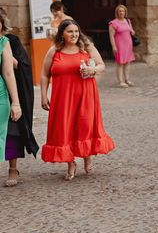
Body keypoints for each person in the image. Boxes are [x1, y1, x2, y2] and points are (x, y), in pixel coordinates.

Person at [40, 19, 115, 180]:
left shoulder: (86, 47)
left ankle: (87, 155)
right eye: (69, 31)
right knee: (66, 128)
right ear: (62, 34)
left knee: (85, 125)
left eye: (76, 31)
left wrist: (92, 69)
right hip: (62, 98)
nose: (74, 34)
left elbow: (102, 65)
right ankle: (70, 162)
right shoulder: (54, 51)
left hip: (85, 95)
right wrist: (43, 95)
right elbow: (45, 74)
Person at [1, 9, 39, 187]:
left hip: (8, 91)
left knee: (12, 132)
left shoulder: (10, 41)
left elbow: (21, 66)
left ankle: (12, 168)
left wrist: (10, 59)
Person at [0, 10, 23, 185]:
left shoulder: (4, 42)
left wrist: (15, 102)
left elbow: (9, 73)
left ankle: (13, 168)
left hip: (1, 96)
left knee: (9, 133)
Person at [108, 4, 136, 88]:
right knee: (120, 63)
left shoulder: (127, 21)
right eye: (120, 11)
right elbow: (111, 36)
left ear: (125, 12)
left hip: (128, 44)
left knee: (127, 62)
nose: (121, 12)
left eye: (123, 11)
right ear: (117, 12)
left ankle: (127, 79)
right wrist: (114, 46)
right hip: (119, 45)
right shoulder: (113, 23)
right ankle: (120, 81)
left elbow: (131, 31)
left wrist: (132, 31)